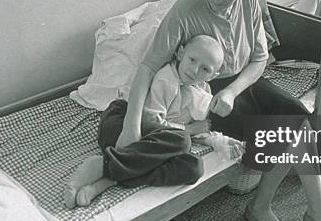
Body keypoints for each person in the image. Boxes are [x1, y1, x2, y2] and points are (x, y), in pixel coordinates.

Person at [114, 0, 321, 221]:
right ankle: (271, 209)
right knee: (283, 132)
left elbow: (259, 58)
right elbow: (149, 66)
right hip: (205, 90)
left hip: (242, 82)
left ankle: (311, 210)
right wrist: (131, 125)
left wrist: (233, 90)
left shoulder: (249, 3)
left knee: (298, 113)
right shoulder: (185, 9)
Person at [64, 34, 242, 208]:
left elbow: (192, 129)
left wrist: (219, 140)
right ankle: (101, 166)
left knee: (193, 168)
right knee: (182, 140)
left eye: (205, 69)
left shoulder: (202, 89)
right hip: (121, 124)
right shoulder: (167, 79)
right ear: (181, 54)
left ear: (213, 75)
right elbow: (153, 120)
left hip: (145, 143)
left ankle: (109, 177)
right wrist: (189, 129)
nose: (195, 70)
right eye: (192, 60)